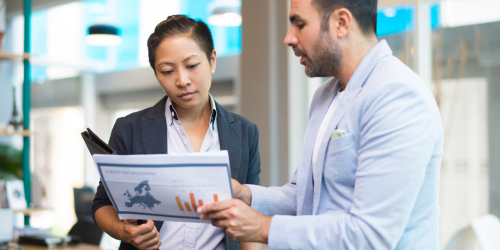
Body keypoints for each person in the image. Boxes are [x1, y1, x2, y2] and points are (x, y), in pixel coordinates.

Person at [198, 0, 444, 249]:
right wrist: (246, 196)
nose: (289, 38)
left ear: (341, 23)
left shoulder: (397, 96)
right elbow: (305, 195)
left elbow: (369, 235)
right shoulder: (324, 95)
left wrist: (262, 227)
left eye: (299, 24)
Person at [91, 15, 262, 250]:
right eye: (167, 71)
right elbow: (102, 203)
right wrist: (124, 232)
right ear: (156, 73)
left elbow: (249, 214)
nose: (182, 80)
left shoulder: (245, 132)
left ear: (212, 60)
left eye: (192, 66)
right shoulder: (129, 128)